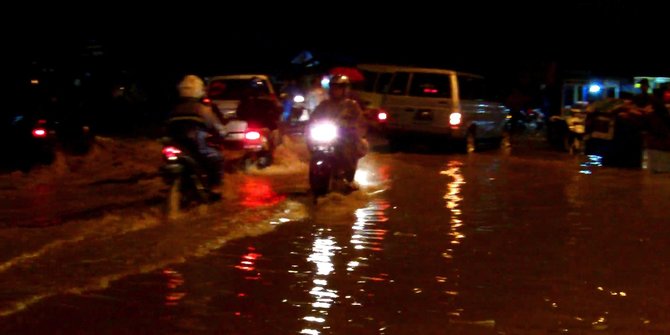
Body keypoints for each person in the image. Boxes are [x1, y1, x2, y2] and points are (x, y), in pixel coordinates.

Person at [166, 74, 226, 197]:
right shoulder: (202, 109)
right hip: (197, 148)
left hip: (176, 148)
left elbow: (165, 129)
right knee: (218, 158)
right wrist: (222, 136)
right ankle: (215, 187)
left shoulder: (174, 109)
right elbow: (219, 129)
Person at [310, 74, 368, 190]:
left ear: (345, 90)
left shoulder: (351, 105)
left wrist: (350, 126)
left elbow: (360, 121)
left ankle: (349, 178)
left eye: (338, 88)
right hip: (327, 135)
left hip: (344, 137)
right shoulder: (324, 105)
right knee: (313, 148)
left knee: (349, 150)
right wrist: (308, 124)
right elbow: (314, 117)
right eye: (333, 88)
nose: (335, 91)